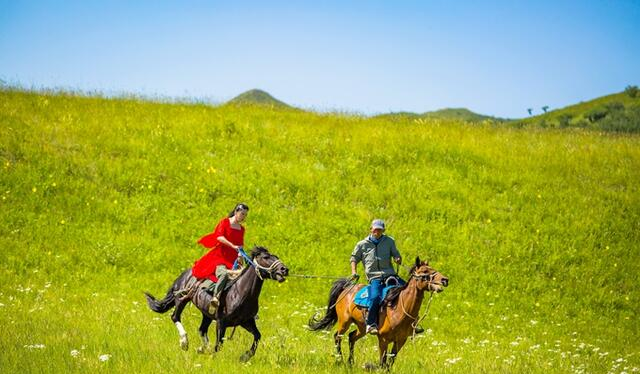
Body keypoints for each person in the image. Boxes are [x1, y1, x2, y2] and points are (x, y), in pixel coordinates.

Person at [192, 203, 249, 314]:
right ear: (236, 211)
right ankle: (215, 299)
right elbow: (219, 237)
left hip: (233, 259)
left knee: (245, 278)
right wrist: (233, 246)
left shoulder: (241, 229)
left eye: (245, 215)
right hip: (220, 257)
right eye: (242, 214)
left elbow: (240, 245)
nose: (243, 217)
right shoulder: (224, 222)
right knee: (223, 274)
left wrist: (240, 255)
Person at [350, 219, 402, 335]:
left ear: (383, 230)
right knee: (375, 297)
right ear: (371, 229)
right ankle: (371, 323)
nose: (377, 232)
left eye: (380, 230)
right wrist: (354, 272)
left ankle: (413, 322)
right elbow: (354, 258)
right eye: (375, 229)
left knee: (409, 291)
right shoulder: (362, 244)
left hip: (390, 275)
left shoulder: (389, 241)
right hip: (375, 278)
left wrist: (397, 258)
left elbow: (396, 254)